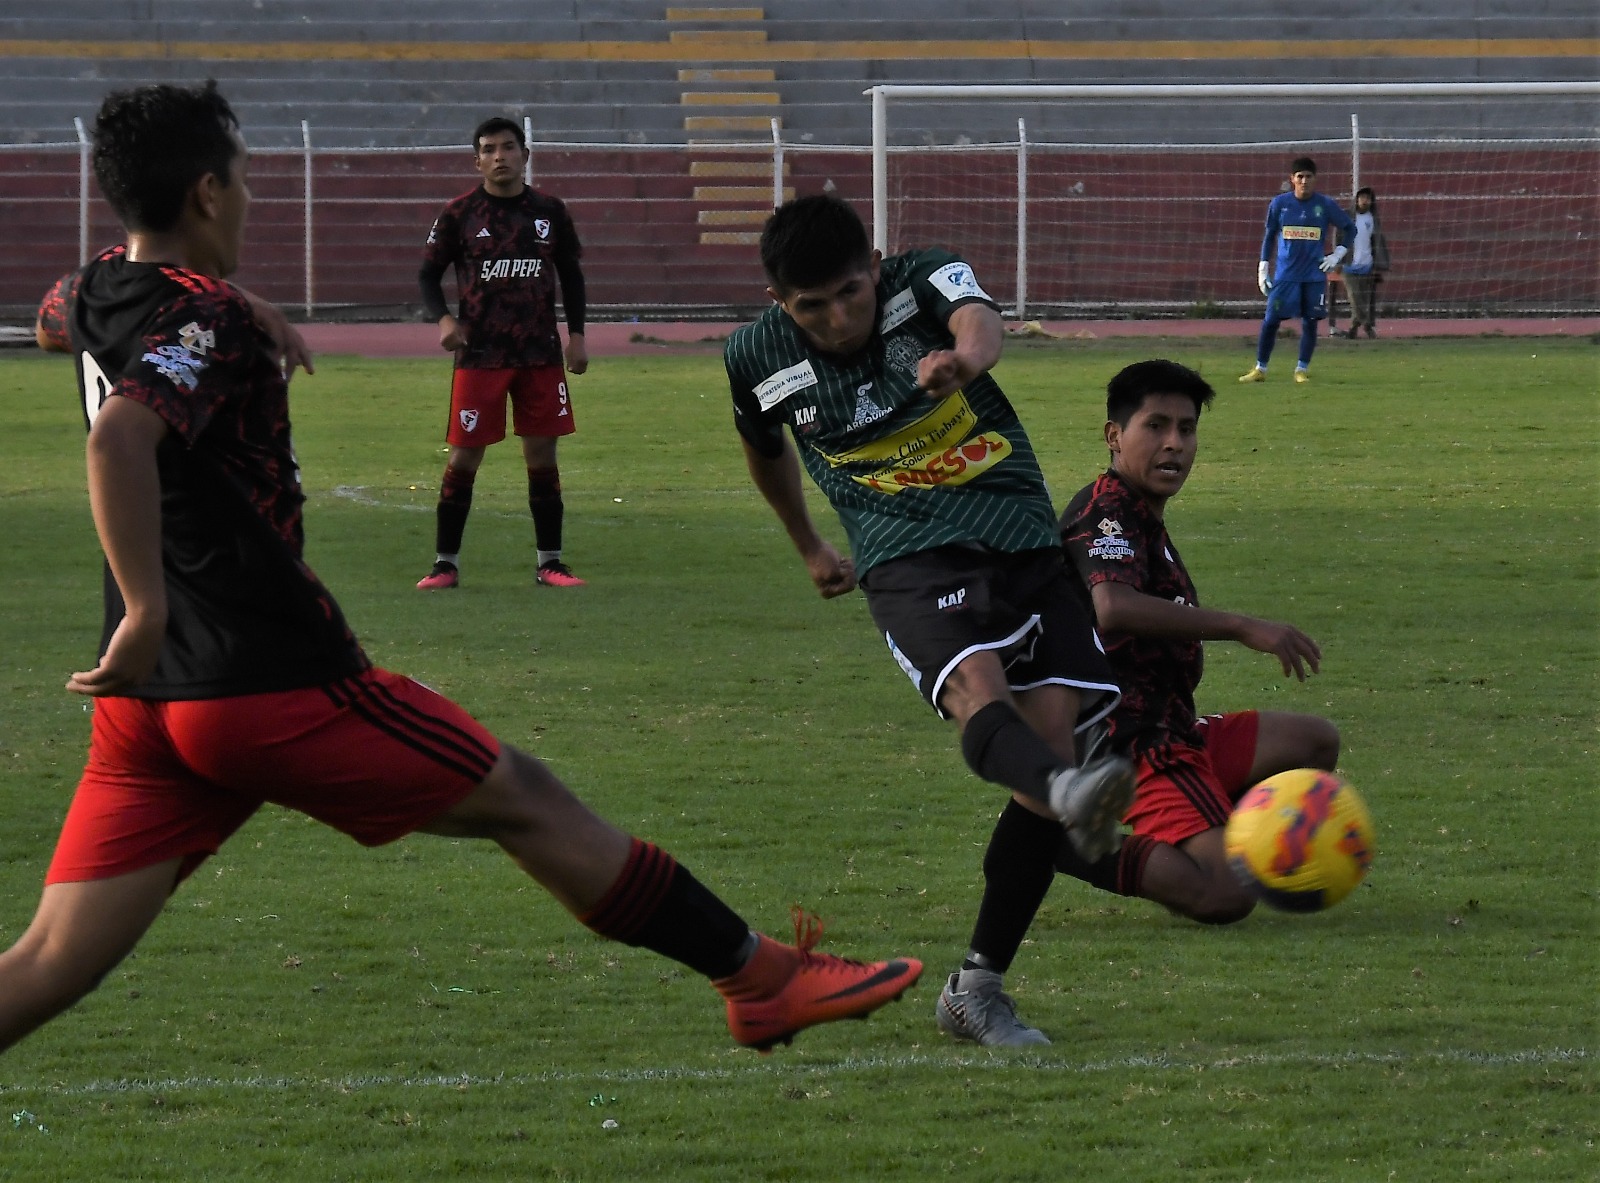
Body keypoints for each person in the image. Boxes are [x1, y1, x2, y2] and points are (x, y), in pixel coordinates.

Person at [4, 81, 921, 1061]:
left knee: (54, 954)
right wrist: (143, 602)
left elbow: (65, 315)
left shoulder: (99, 279)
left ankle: (760, 977)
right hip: (261, 674)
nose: (251, 196)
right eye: (242, 180)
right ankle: (760, 979)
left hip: (146, 705)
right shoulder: (209, 318)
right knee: (525, 797)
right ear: (207, 194)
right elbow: (118, 441)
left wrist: (240, 305)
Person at [724, 194, 1135, 1048]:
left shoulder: (921, 278)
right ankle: (1068, 792)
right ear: (778, 304)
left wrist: (964, 364)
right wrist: (807, 544)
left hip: (1015, 522)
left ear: (874, 265)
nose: (838, 318)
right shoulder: (756, 356)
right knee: (981, 693)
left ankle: (974, 987)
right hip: (906, 548)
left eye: (850, 291)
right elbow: (764, 450)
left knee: (1051, 738)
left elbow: (981, 320)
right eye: (811, 307)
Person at [1058, 359, 1341, 922]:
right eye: (1155, 426)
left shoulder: (1143, 515)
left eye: (1186, 429)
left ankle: (1209, 830)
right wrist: (1242, 626)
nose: (1174, 444)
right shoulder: (1107, 511)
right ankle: (1059, 843)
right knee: (1227, 894)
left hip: (1174, 727)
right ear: (1114, 436)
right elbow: (1112, 607)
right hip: (1128, 743)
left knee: (1313, 743)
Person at [416, 116, 589, 590]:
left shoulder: (551, 211)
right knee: (465, 456)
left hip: (539, 353)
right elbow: (428, 275)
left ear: (524, 155)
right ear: (477, 160)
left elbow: (572, 275)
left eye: (508, 147)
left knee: (542, 454)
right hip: (480, 356)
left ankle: (550, 563)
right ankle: (444, 564)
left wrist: (577, 335)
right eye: (489, 149)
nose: (499, 156)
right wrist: (445, 320)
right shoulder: (459, 213)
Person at [1239, 157, 1355, 385]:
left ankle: (1301, 369)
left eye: (1308, 177)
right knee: (1271, 320)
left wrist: (1337, 255)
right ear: (1292, 179)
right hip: (1285, 276)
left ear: (1315, 179)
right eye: (1299, 177)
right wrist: (1263, 266)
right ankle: (1260, 368)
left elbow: (1350, 229)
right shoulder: (1280, 204)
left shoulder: (1325, 205)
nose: (1304, 181)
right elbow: (1270, 235)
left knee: (1310, 322)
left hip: (1313, 276)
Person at [1332, 187, 1390, 339]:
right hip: (1349, 266)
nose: (1365, 201)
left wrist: (1379, 263)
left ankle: (1353, 328)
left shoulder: (1373, 219)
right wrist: (1338, 260)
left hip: (1367, 265)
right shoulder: (1347, 216)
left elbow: (1377, 242)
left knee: (1364, 300)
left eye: (1368, 198)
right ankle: (1367, 325)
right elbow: (1338, 237)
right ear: (1356, 199)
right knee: (1355, 297)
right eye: (1362, 197)